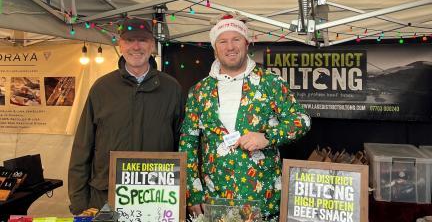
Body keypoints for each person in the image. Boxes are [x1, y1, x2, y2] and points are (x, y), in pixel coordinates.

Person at [179, 13, 311, 220]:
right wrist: (192, 193)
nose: (230, 47)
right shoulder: (199, 91)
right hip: (214, 196)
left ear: (247, 44)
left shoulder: (270, 82)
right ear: (215, 48)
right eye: (223, 41)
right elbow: (188, 141)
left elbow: (301, 120)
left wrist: (267, 137)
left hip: (261, 196)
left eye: (236, 39)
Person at [68, 18, 184, 215]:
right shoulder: (102, 88)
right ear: (120, 45)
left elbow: (183, 143)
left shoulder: (172, 88)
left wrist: (183, 193)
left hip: (157, 196)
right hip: (105, 195)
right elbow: (83, 146)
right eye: (129, 40)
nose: (136, 46)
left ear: (152, 45)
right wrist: (79, 201)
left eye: (142, 40)